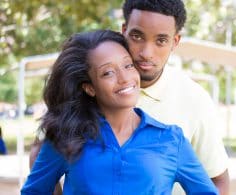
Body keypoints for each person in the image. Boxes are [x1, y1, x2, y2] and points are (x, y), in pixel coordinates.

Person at [21, 30, 218, 195]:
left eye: (128, 65)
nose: (125, 78)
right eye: (108, 72)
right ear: (90, 87)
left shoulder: (171, 140)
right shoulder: (66, 137)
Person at [121, 0, 229, 194]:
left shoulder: (195, 100)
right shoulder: (88, 88)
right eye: (137, 36)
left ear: (175, 42)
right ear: (124, 31)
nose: (147, 53)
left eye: (161, 40)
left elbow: (218, 182)